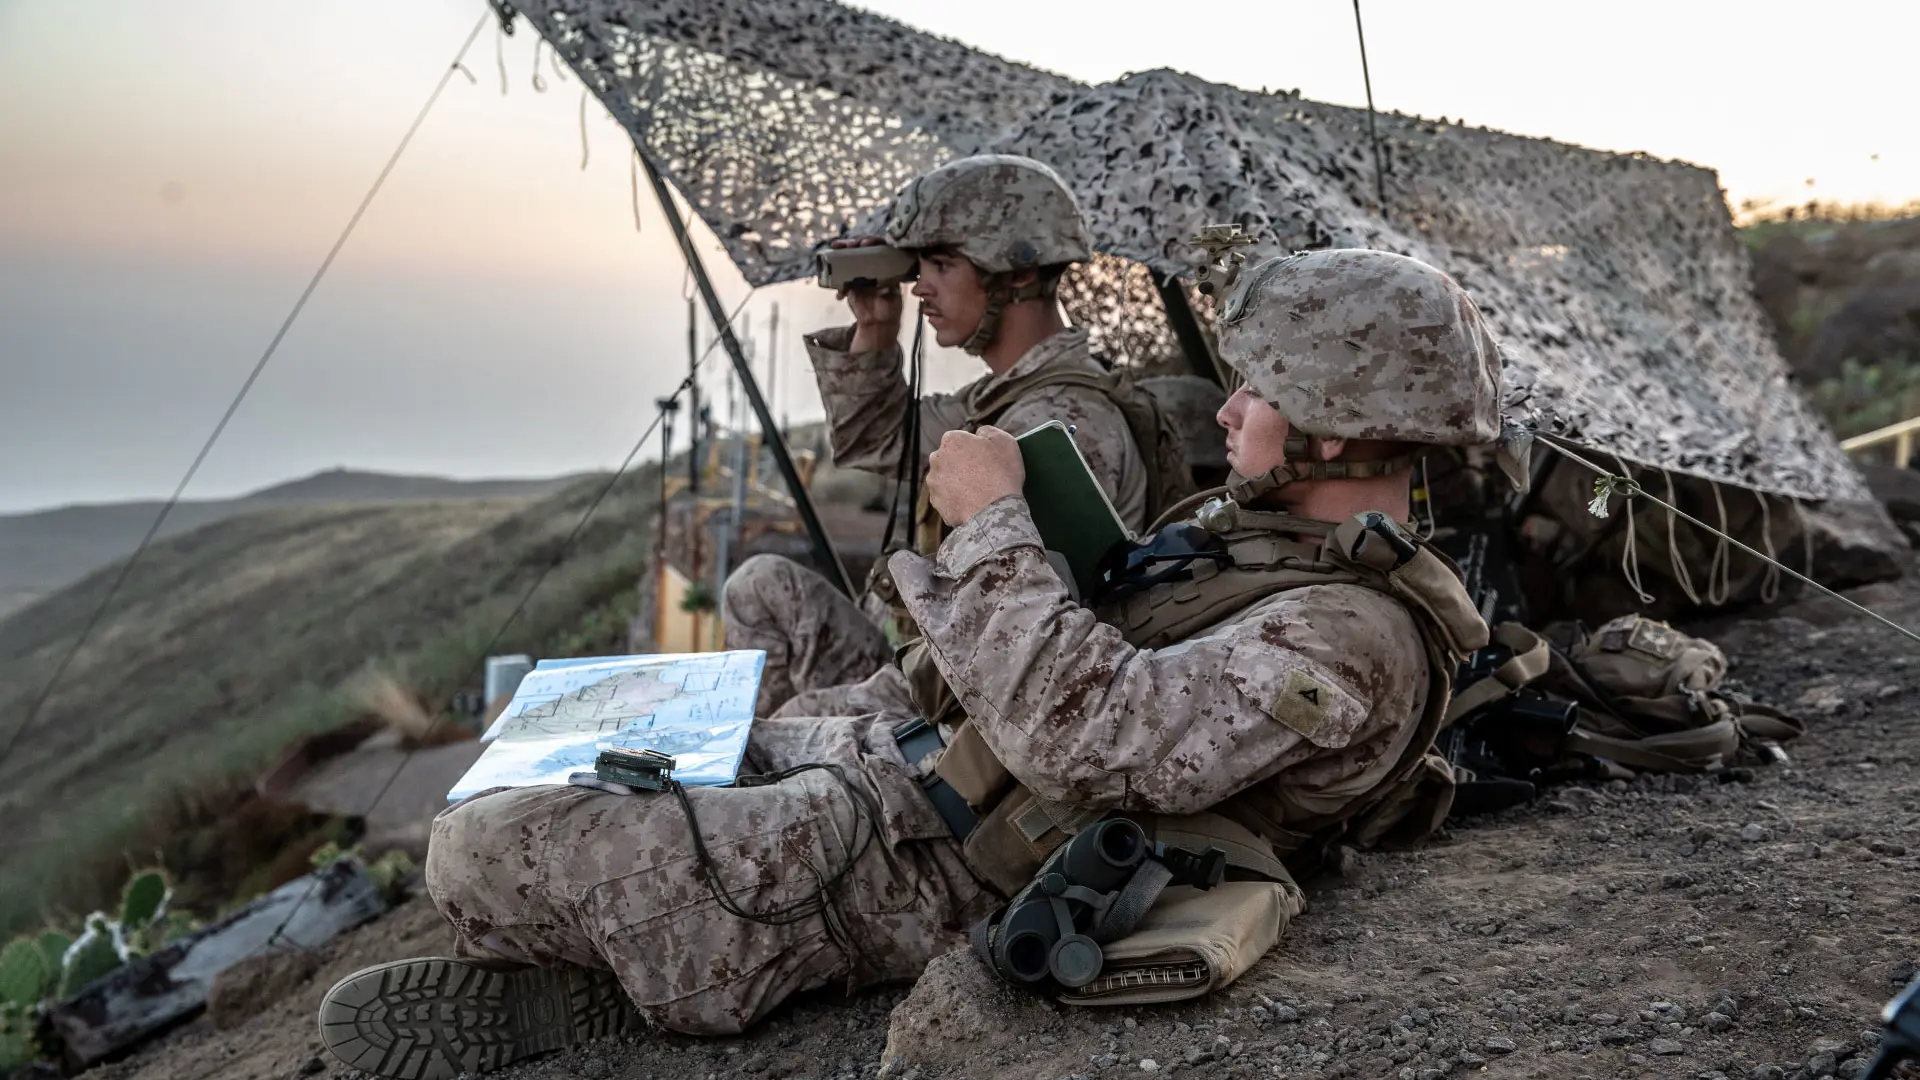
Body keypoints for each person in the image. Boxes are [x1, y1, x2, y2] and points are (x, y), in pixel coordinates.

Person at [315, 248, 1505, 1080]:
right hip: (918, 759)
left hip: (931, 859)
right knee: (614, 725)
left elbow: (1088, 742)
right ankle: (663, 901)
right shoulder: (1261, 530)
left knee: (470, 847)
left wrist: (995, 524)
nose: (1230, 400)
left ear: (1341, 427)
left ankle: (636, 979)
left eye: (1266, 387)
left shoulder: (1353, 639)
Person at [722, 153, 1165, 720]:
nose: (920, 287)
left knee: (781, 727)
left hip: (970, 698)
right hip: (935, 656)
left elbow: (1007, 649)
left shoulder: (1058, 421)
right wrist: (877, 328)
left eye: (942, 264)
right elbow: (878, 438)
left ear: (1020, 273)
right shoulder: (1001, 399)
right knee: (759, 584)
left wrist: (813, 718)